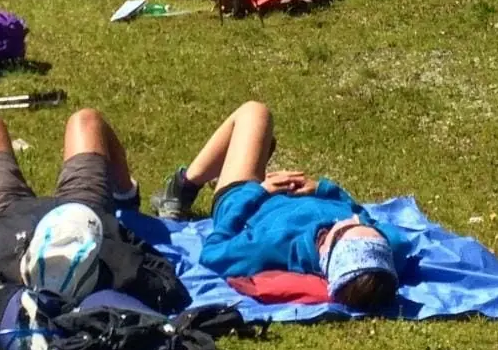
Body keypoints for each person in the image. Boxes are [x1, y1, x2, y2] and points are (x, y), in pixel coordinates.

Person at [0, 107, 190, 327]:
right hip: (84, 209)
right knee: (86, 120)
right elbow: (169, 285)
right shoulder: (116, 263)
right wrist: (117, 229)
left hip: (8, 213)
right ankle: (125, 195)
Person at [149, 101, 402, 311]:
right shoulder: (374, 248)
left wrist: (256, 192)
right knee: (258, 137)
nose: (353, 219)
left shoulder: (270, 246)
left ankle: (182, 187)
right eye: (368, 227)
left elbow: (213, 253)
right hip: (288, 194)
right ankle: (253, 155)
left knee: (255, 112)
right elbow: (387, 233)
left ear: (326, 249)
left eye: (345, 227)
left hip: (241, 198)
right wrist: (324, 189)